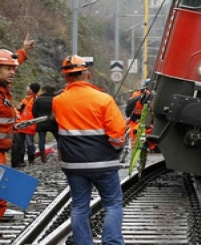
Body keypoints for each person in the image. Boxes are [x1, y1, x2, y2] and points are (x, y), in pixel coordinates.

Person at [52, 55, 125, 245]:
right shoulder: (103, 99)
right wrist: (116, 148)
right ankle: (112, 242)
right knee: (112, 203)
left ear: (66, 78)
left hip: (73, 163)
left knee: (79, 206)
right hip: (103, 163)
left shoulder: (58, 101)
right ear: (87, 73)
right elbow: (117, 132)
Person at [0, 34, 36, 222]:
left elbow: (12, 63)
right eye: (8, 69)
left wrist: (22, 52)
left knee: (2, 195)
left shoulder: (5, 87)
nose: (12, 72)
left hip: (2, 149)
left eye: (13, 69)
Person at [12, 82, 40, 167]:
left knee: (29, 144)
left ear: (32, 90)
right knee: (21, 144)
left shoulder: (36, 99)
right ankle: (21, 160)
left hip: (30, 126)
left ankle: (31, 159)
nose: (27, 89)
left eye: (29, 87)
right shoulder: (26, 99)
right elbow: (19, 109)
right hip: (22, 125)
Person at [32, 83, 59, 163]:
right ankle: (61, 155)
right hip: (53, 122)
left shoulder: (38, 99)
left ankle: (43, 158)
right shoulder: (56, 99)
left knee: (41, 140)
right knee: (59, 139)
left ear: (44, 90)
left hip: (41, 121)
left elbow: (34, 111)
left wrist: (38, 117)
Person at [125, 79, 154, 151]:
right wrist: (133, 119)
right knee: (134, 132)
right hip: (135, 118)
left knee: (149, 130)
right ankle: (136, 148)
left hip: (147, 118)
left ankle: (150, 147)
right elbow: (128, 110)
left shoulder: (151, 96)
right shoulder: (135, 97)